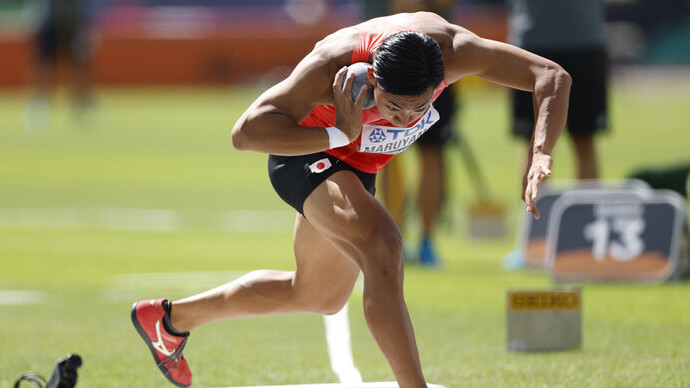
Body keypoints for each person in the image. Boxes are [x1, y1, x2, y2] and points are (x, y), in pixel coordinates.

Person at [131, 12, 570, 388]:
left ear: (443, 79)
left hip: (358, 166)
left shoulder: (455, 52)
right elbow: (245, 133)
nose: (404, 119)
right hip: (309, 154)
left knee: (317, 295)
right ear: (374, 77)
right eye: (393, 105)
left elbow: (551, 77)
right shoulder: (331, 67)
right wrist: (338, 132)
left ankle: (170, 321)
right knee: (384, 246)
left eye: (419, 109)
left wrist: (540, 154)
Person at [374, 0, 459, 267]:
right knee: (385, 154)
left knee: (432, 154)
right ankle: (395, 238)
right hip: (387, 58)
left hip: (433, 61)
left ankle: (426, 241)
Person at [507, 0, 608, 180]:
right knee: (534, 141)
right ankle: (535, 208)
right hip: (533, 42)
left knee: (585, 138)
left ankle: (586, 207)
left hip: (584, 41)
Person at [25, 0, 95, 132]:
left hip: (72, 15)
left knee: (78, 61)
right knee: (44, 61)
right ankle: (41, 102)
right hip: (50, 13)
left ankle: (80, 102)